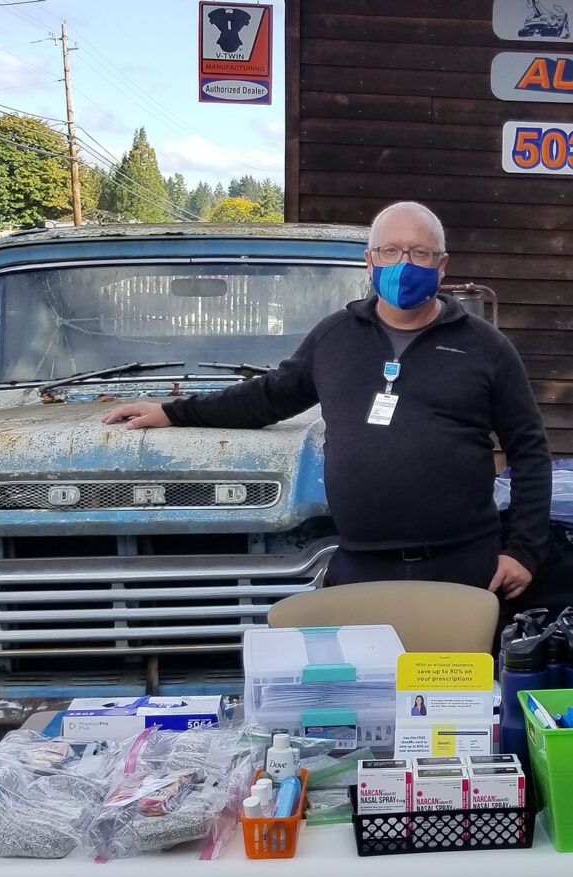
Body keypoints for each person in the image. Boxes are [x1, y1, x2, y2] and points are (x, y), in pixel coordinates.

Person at [102, 201, 551, 599]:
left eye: (421, 253)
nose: (405, 263)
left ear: (442, 264)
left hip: (465, 566)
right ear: (369, 261)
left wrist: (524, 551)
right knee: (362, 689)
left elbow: (530, 450)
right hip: (361, 568)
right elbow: (268, 397)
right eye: (391, 251)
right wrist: (173, 412)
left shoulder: (486, 347)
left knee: (455, 692)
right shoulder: (335, 337)